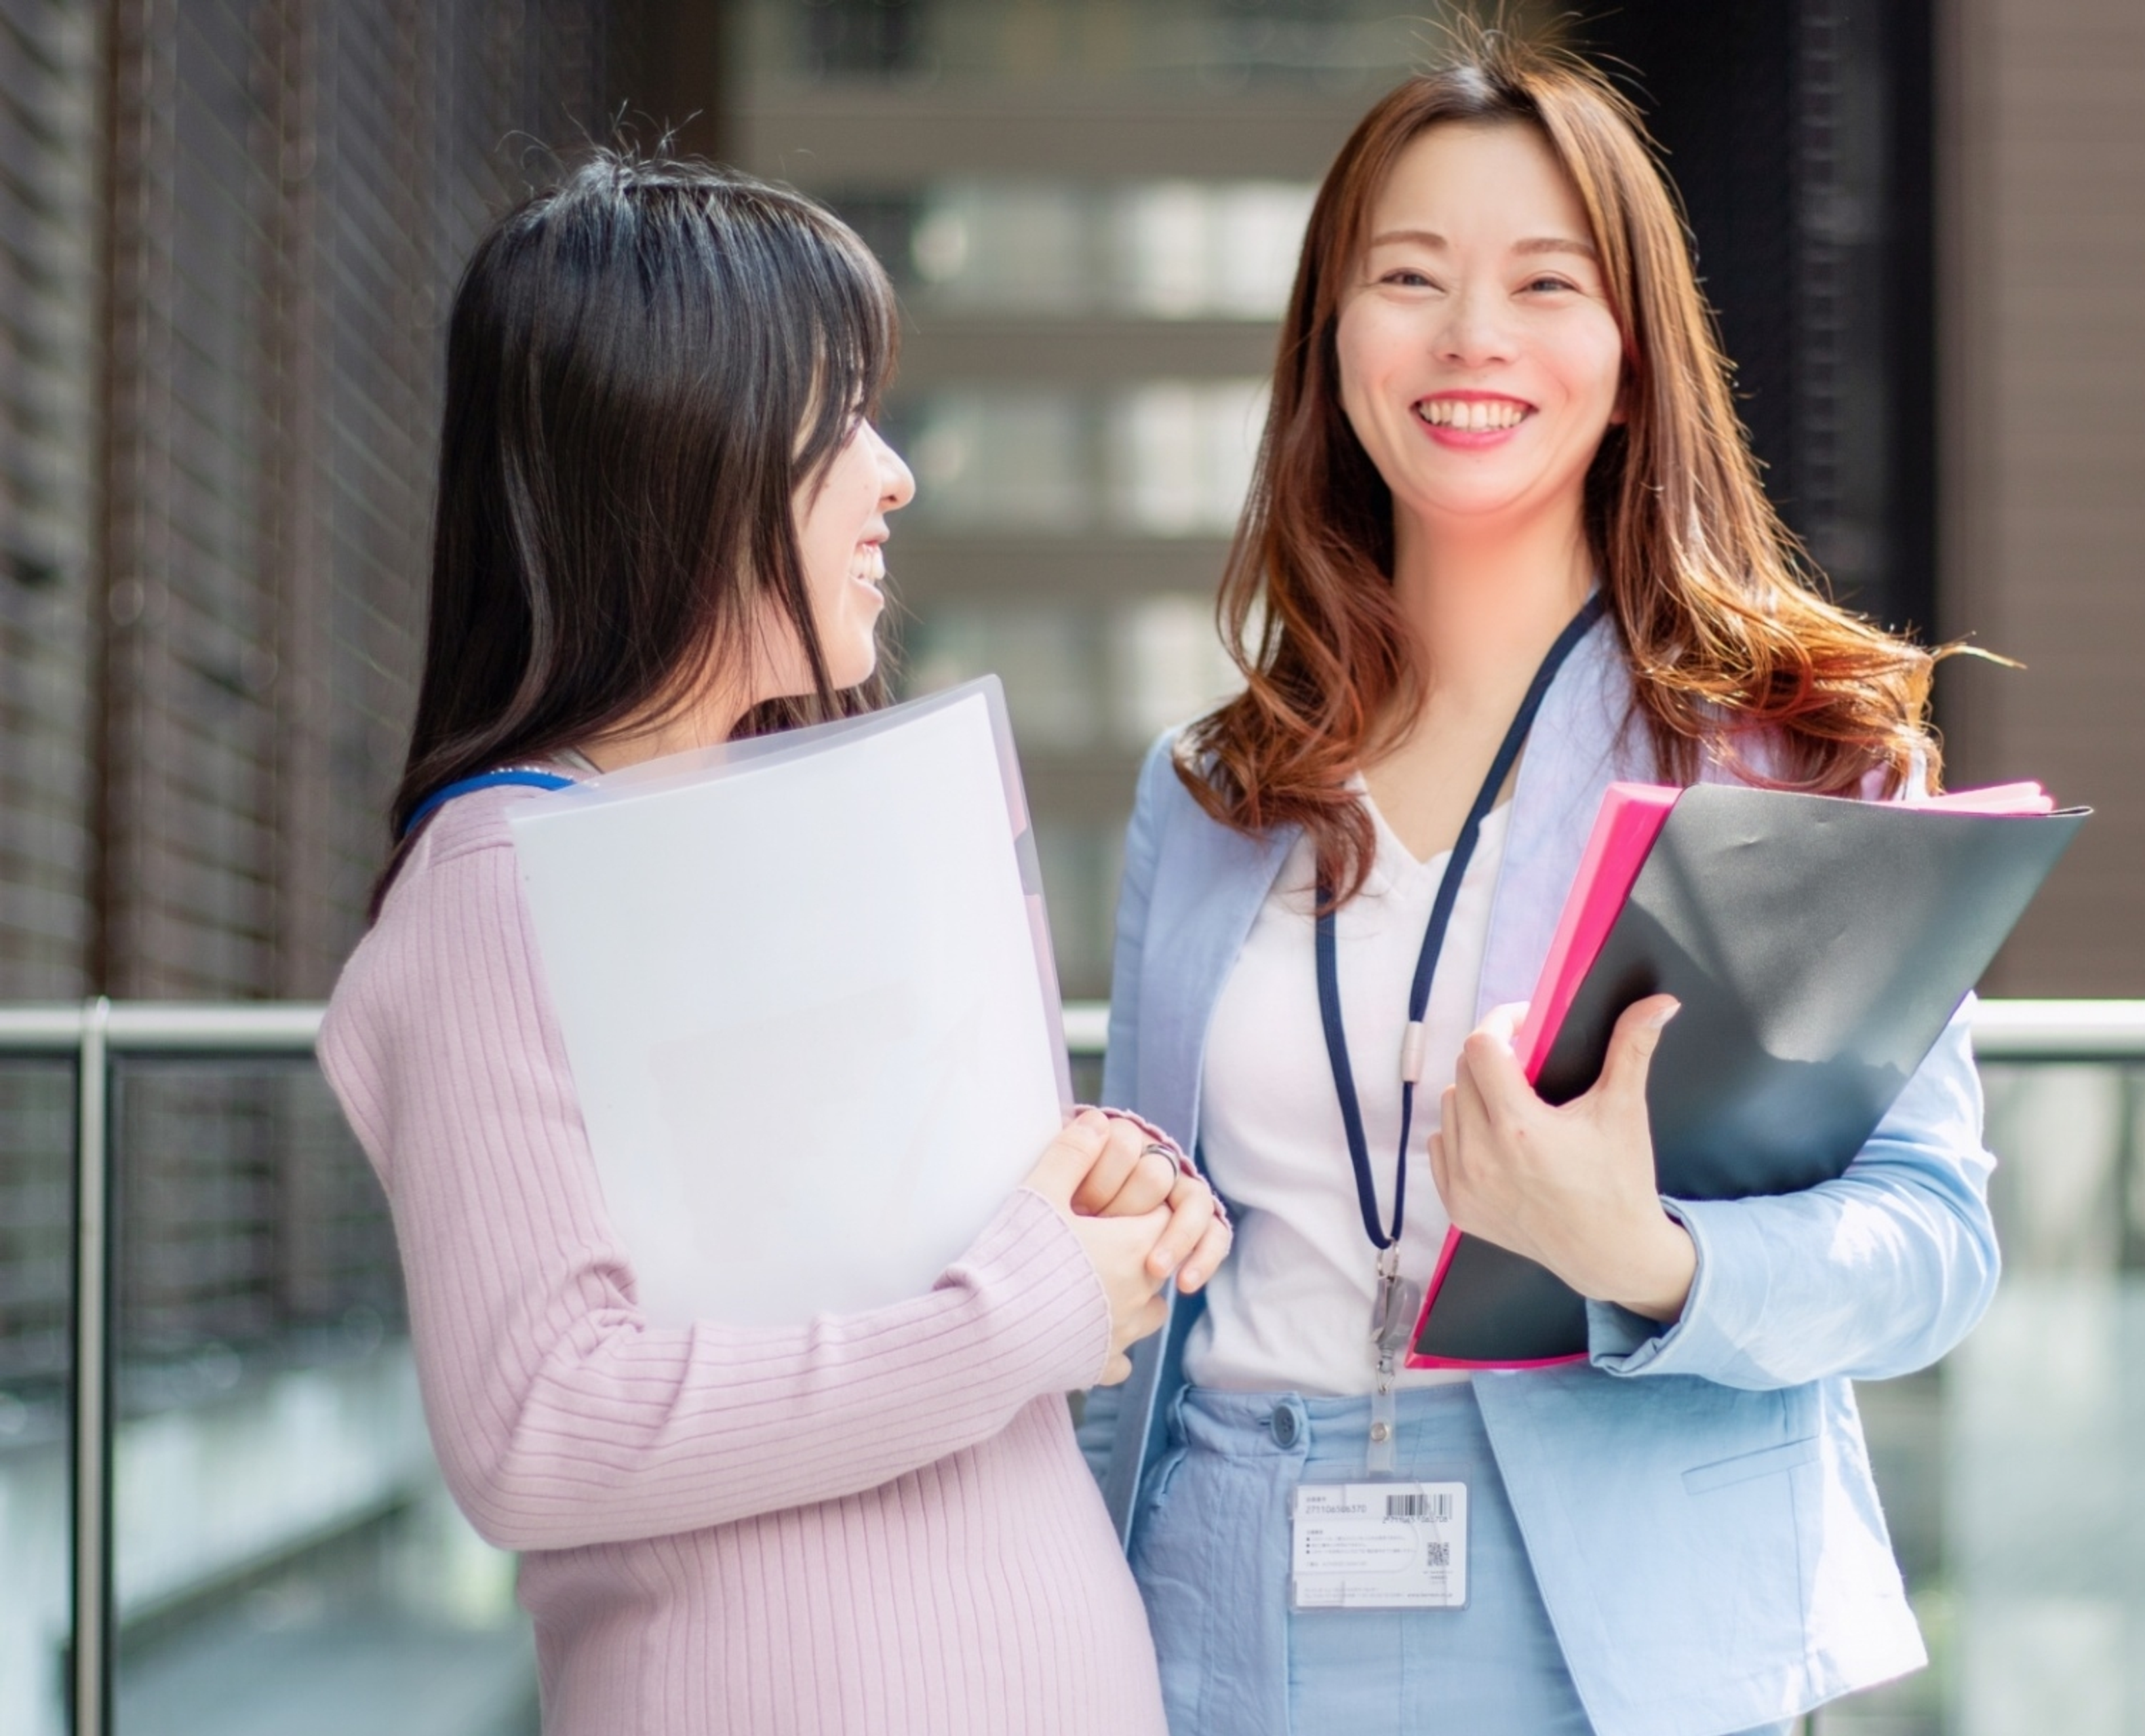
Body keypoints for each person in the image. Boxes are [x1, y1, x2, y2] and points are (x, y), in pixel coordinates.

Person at [1089, 33, 1997, 1736]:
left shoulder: (1789, 762)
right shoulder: (1208, 787)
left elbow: (1934, 1242)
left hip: (1615, 1625)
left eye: (1544, 283)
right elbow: (1138, 1257)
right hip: (1214, 1600)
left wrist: (1647, 1255)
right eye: (1409, 278)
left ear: (1634, 358)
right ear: (1333, 345)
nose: (1470, 336)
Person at [321, 155, 1227, 1736]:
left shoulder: (783, 840)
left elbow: (883, 1272)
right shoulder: (504, 881)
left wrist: (1092, 1194)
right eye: (842, 416)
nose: (897, 475)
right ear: (682, 450)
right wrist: (1027, 1302)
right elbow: (538, 1421)